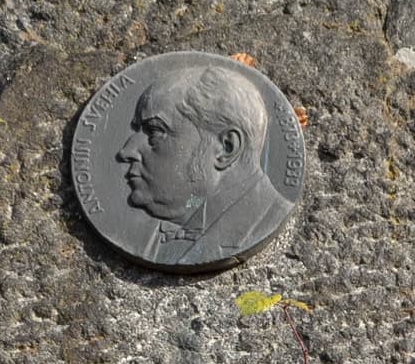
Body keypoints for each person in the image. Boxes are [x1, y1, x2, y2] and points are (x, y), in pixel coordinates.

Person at [111, 58, 289, 262]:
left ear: (226, 147)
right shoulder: (158, 237)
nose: (127, 151)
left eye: (155, 131)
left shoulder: (261, 220)